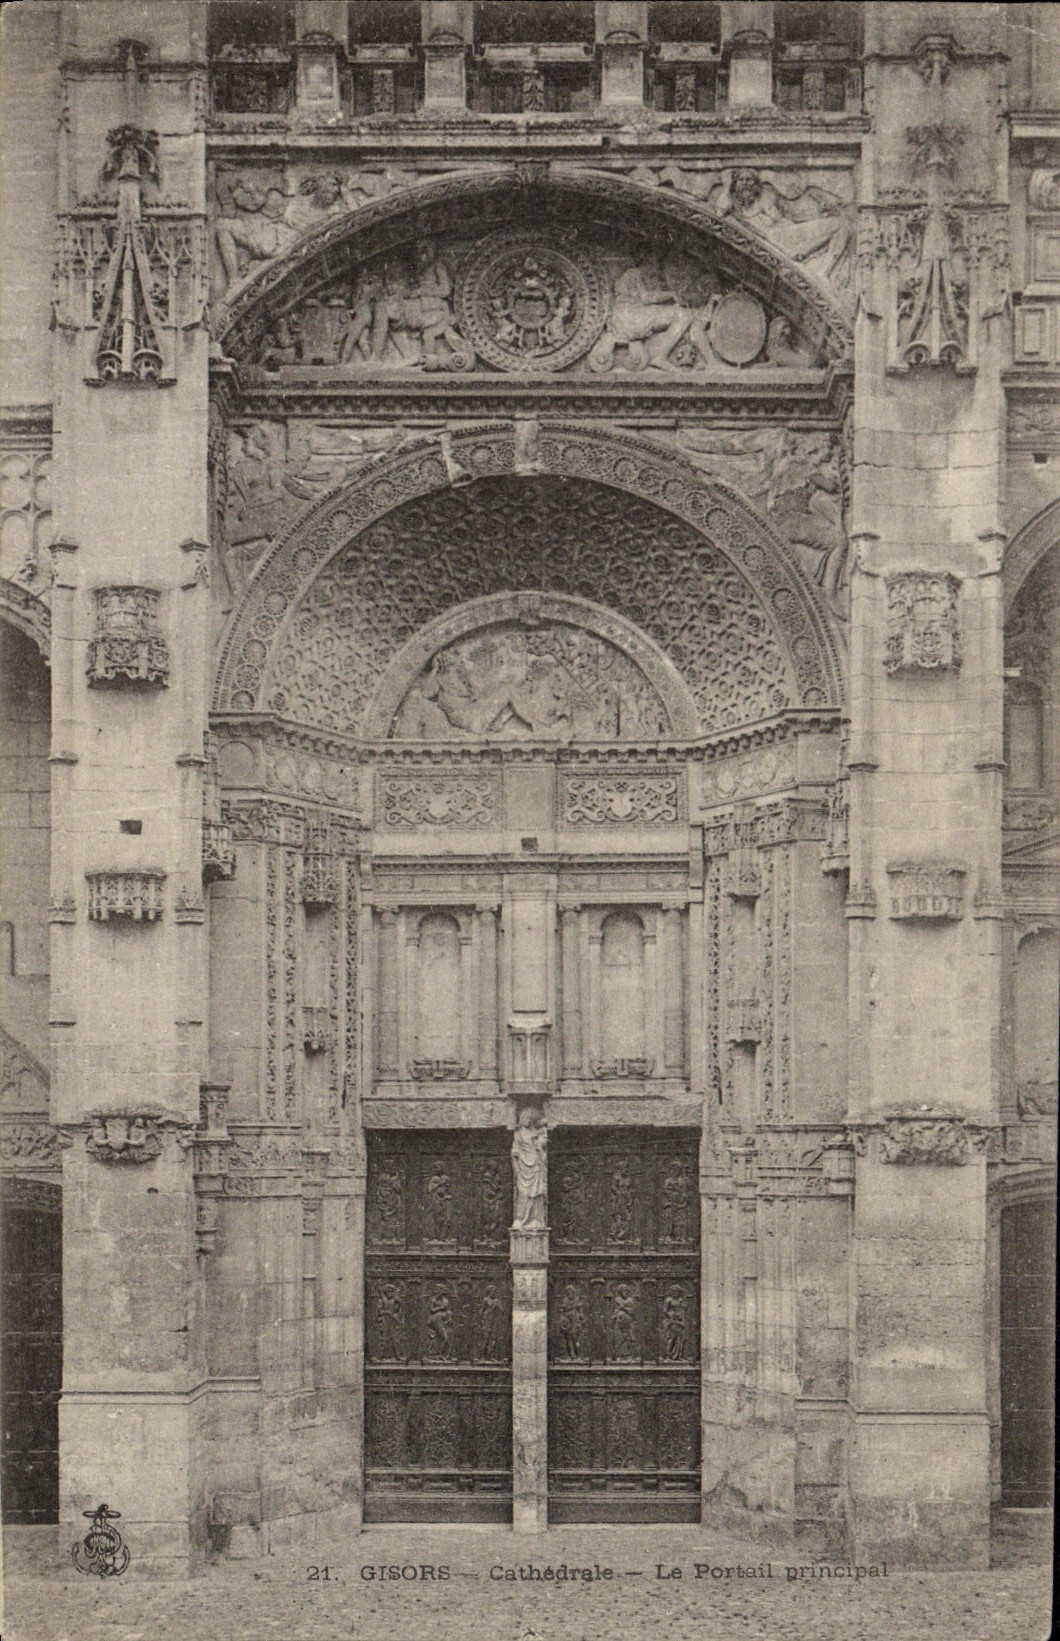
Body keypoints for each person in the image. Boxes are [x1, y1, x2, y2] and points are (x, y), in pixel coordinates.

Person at [511, 1108, 547, 1229]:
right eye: (525, 1118)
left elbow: (542, 1148)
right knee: (522, 1193)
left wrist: (540, 1142)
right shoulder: (518, 1134)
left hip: (536, 1164)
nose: (527, 1121)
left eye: (529, 1119)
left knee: (537, 1193)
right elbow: (514, 1152)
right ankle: (520, 1219)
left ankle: (536, 1219)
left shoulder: (538, 1133)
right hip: (523, 1166)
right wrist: (517, 1169)